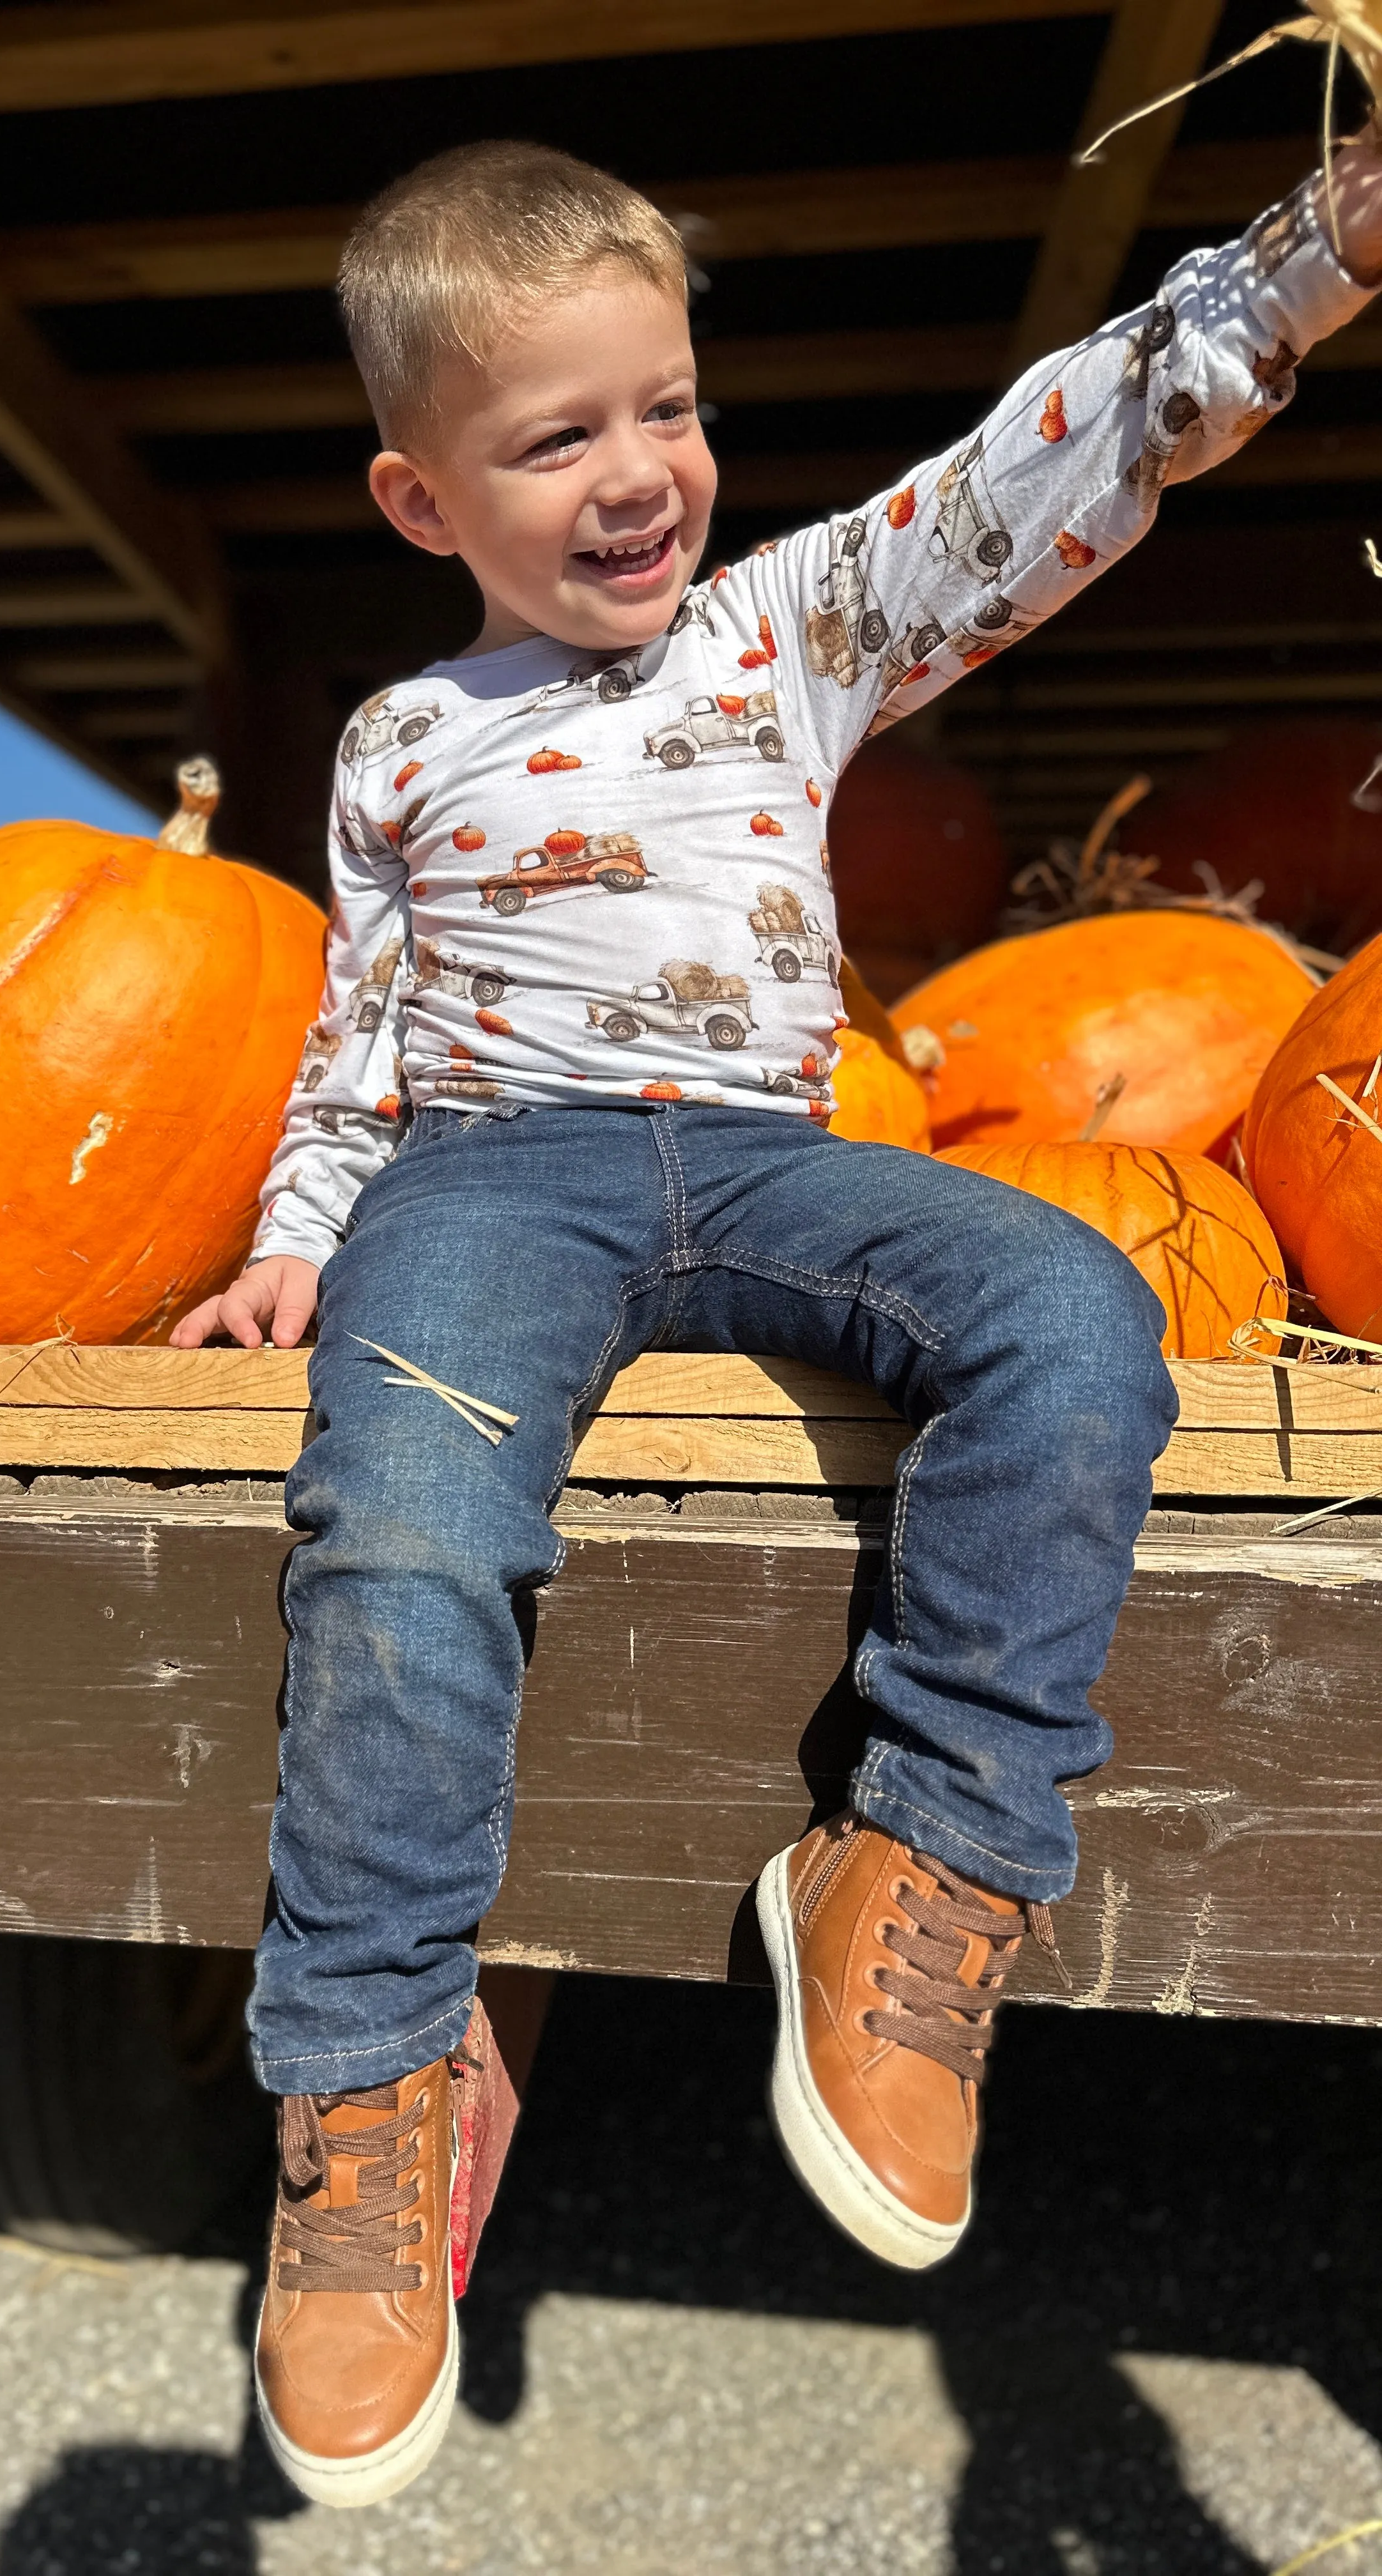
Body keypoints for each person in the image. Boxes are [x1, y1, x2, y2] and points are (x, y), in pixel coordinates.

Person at [172, 132, 1382, 2508]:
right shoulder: (401, 746)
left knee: (1071, 1302)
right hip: (488, 1181)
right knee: (405, 1519)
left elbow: (1041, 470)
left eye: (669, 411)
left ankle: (918, 1860)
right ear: (426, 502)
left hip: (773, 1153)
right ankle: (373, 2080)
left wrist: (1312, 263)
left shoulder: (792, 627)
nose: (641, 479)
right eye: (558, 439)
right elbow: (365, 1023)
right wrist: (308, 1221)